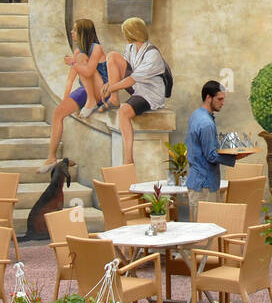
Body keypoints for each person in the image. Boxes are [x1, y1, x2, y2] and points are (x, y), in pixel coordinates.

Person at [101, 17, 172, 165]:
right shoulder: (131, 48)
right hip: (137, 86)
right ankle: (114, 99)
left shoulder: (153, 54)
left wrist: (111, 87)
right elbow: (123, 68)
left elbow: (132, 79)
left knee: (124, 112)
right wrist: (110, 85)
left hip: (149, 92)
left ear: (132, 33)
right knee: (112, 56)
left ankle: (128, 159)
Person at [40, 18, 107, 171]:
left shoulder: (96, 48)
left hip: (102, 90)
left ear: (83, 33)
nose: (72, 32)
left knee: (80, 59)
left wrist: (73, 63)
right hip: (85, 89)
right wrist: (65, 101)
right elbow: (70, 80)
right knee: (58, 113)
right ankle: (51, 157)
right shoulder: (78, 52)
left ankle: (91, 101)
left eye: (75, 30)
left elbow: (89, 71)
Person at [184, 80, 228, 219]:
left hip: (197, 181)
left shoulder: (196, 115)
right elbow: (211, 156)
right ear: (208, 97)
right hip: (205, 185)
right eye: (219, 99)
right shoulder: (206, 123)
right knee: (206, 231)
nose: (222, 103)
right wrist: (235, 157)